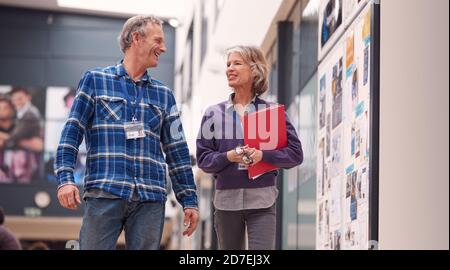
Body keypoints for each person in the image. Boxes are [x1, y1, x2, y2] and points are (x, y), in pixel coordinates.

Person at [54, 15, 199, 250]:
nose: (163, 48)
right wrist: (65, 179)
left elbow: (178, 151)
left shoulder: (164, 95)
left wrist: (189, 200)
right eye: (158, 40)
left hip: (150, 198)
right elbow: (71, 133)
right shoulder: (95, 80)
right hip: (105, 191)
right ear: (136, 38)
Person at [196, 46, 303, 250]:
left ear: (254, 70)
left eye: (237, 63)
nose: (230, 68)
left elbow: (295, 155)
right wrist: (228, 156)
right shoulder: (213, 114)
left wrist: (264, 155)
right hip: (226, 202)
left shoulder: (272, 112)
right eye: (228, 64)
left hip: (263, 200)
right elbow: (204, 160)